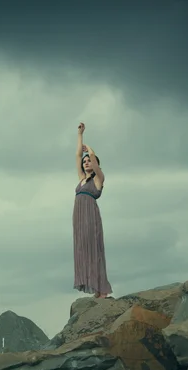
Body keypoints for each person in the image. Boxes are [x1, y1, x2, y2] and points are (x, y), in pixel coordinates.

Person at [73, 122, 113, 298]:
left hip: (90, 216)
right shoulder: (82, 179)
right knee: (82, 250)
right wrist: (80, 134)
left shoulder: (98, 179)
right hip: (79, 217)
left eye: (89, 161)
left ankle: (102, 288)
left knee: (94, 250)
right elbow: (77, 155)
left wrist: (90, 149)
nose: (87, 162)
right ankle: (95, 287)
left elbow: (94, 163)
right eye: (85, 162)